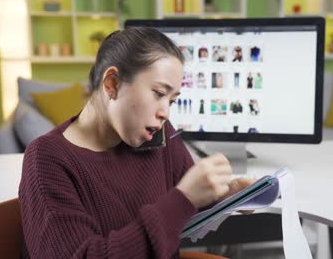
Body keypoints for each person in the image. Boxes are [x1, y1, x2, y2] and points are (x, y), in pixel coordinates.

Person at [19, 27, 254, 259]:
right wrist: (185, 198)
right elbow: (179, 203)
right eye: (158, 93)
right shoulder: (47, 159)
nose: (165, 113)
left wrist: (224, 198)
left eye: (171, 100)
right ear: (112, 84)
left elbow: (184, 211)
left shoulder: (157, 134)